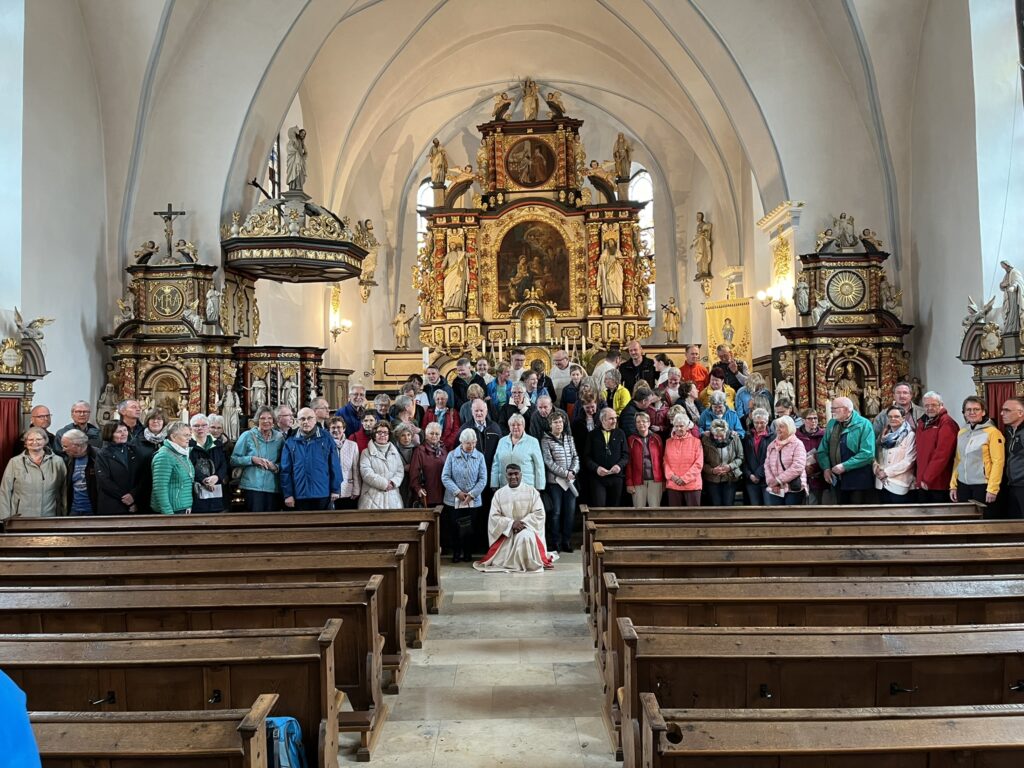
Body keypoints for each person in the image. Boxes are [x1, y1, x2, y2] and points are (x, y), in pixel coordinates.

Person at [474, 463, 555, 573]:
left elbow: (539, 513)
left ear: (521, 475)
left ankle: (527, 564)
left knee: (525, 537)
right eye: (510, 474)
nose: (513, 477)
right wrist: (511, 524)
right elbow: (494, 517)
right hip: (507, 534)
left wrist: (522, 523)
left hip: (527, 529)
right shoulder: (499, 494)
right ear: (506, 476)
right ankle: (513, 563)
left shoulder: (531, 491)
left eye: (516, 474)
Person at [950, 396, 1004, 515]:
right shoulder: (962, 432)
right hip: (963, 485)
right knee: (966, 522)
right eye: (968, 410)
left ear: (983, 412)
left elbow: (998, 462)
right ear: (964, 413)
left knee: (985, 522)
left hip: (983, 486)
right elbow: (958, 460)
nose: (972, 412)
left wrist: (993, 489)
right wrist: (953, 485)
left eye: (976, 409)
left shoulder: (993, 432)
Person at [817, 396, 876, 505]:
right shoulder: (832, 424)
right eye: (832, 408)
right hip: (837, 479)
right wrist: (826, 468)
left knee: (856, 515)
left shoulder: (864, 424)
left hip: (858, 480)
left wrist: (845, 466)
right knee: (839, 514)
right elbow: (822, 449)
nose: (832, 411)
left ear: (846, 410)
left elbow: (868, 453)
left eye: (835, 408)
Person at [441, 428, 488, 562]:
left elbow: (483, 479)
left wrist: (472, 494)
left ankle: (468, 553)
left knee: (470, 528)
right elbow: (445, 477)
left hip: (473, 500)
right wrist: (458, 493)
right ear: (461, 442)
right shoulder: (451, 455)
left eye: (473, 443)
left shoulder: (480, 456)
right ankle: (456, 553)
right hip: (453, 499)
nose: (471, 446)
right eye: (468, 443)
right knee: (454, 527)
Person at [281, 407, 341, 510]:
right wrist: (288, 494)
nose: (306, 422)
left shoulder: (326, 438)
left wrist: (335, 489)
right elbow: (285, 470)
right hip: (299, 493)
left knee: (323, 525)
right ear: (297, 421)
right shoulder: (290, 442)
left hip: (322, 493)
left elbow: (334, 465)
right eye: (302, 419)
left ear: (315, 419)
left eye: (309, 418)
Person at [0, 427, 66, 520]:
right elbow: (5, 491)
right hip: (21, 518)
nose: (34, 442)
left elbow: (64, 490)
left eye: (39, 439)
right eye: (30, 439)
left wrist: (64, 515)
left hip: (50, 516)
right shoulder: (14, 462)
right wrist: (4, 519)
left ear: (45, 441)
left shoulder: (58, 461)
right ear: (25, 443)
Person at [231, 405, 283, 511]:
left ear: (273, 421)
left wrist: (276, 467)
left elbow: (286, 462)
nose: (266, 421)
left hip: (273, 487)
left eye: (269, 418)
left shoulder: (280, 438)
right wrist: (252, 459)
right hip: (252, 486)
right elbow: (234, 459)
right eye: (262, 418)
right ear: (257, 420)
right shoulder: (247, 436)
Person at [541, 411, 579, 552]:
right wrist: (565, 473)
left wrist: (573, 471)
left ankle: (566, 541)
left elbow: (576, 457)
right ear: (550, 425)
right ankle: (556, 541)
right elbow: (548, 462)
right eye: (556, 422)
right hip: (555, 482)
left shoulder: (569, 438)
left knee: (570, 512)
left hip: (570, 481)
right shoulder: (545, 440)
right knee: (556, 512)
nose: (559, 424)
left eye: (561, 422)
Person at [915, 391, 961, 503]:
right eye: (926, 405)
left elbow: (942, 454)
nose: (930, 408)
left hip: (938, 483)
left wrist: (927, 478)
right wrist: (919, 479)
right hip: (923, 482)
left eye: (933, 405)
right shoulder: (922, 422)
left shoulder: (946, 423)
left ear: (941, 405)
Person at [95, 421, 142, 514]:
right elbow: (104, 480)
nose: (123, 434)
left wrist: (133, 495)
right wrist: (125, 498)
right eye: (119, 431)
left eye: (125, 430)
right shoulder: (103, 454)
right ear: (110, 434)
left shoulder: (133, 450)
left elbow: (142, 475)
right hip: (112, 504)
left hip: (135, 502)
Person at [874, 405, 917, 504]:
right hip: (881, 483)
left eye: (896, 416)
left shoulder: (910, 435)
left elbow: (909, 461)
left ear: (903, 418)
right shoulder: (883, 435)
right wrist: (876, 469)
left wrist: (886, 472)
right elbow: (876, 455)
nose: (893, 419)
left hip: (899, 484)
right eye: (890, 417)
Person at [585, 407, 629, 505]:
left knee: (614, 509)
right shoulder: (592, 435)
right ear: (602, 420)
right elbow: (587, 457)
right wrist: (596, 468)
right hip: (598, 478)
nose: (614, 421)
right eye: (611, 418)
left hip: (616, 477)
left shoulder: (620, 433)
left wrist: (619, 466)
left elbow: (625, 455)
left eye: (615, 418)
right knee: (599, 507)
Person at [150, 422, 196, 515]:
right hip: (172, 511)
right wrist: (169, 514)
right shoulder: (164, 456)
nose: (189, 438)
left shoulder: (182, 453)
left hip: (183, 509)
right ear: (173, 437)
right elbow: (160, 488)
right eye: (185, 435)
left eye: (190, 435)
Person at [492, 413, 546, 491]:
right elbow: (496, 464)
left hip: (527, 487)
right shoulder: (502, 441)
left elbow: (539, 465)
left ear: (523, 426)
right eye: (513, 425)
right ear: (509, 427)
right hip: (505, 487)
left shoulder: (533, 441)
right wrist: (494, 483)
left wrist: (540, 487)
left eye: (518, 425)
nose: (515, 427)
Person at [358, 421, 404, 509]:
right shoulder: (366, 452)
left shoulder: (394, 452)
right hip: (372, 497)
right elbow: (366, 473)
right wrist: (384, 484)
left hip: (393, 497)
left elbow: (400, 471)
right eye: (379, 432)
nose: (382, 435)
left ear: (389, 435)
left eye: (385, 433)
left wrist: (393, 482)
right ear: (374, 434)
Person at [188, 414, 228, 513]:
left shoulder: (217, 444)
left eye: (204, 425)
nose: (200, 428)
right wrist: (204, 479)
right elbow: (188, 466)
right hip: (195, 490)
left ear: (208, 427)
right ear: (191, 428)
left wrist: (217, 477)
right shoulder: (188, 445)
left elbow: (224, 464)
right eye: (196, 426)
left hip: (216, 488)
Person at [764, 416, 807, 506]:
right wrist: (772, 482)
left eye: (781, 426)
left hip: (793, 488)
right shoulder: (772, 445)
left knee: (791, 517)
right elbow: (767, 465)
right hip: (776, 488)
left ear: (790, 428)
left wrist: (779, 480)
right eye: (777, 427)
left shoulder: (797, 444)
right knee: (776, 516)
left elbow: (798, 466)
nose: (778, 429)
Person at [625, 411, 664, 508]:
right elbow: (628, 463)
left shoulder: (657, 438)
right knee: (638, 511)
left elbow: (662, 460)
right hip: (637, 480)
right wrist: (629, 482)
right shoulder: (631, 439)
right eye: (638, 422)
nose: (641, 423)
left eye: (644, 421)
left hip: (656, 480)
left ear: (649, 423)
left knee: (655, 510)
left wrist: (663, 480)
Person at [663, 413, 703, 506]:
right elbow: (665, 462)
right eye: (676, 426)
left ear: (687, 427)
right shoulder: (668, 442)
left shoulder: (696, 442)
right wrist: (672, 477)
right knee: (675, 517)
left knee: (693, 517)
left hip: (693, 485)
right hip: (673, 484)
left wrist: (684, 479)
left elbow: (698, 464)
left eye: (681, 426)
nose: (678, 429)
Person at [701, 418, 743, 506]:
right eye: (716, 436)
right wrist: (712, 470)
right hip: (712, 479)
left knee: (728, 505)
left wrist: (730, 466)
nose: (719, 439)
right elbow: (701, 461)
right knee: (715, 505)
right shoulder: (705, 439)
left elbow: (740, 457)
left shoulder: (734, 438)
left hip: (730, 477)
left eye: (722, 436)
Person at [60, 429, 99, 516]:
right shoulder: (68, 460)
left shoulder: (98, 457)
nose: (63, 450)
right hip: (74, 510)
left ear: (77, 445)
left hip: (94, 510)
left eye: (65, 446)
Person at [410, 421, 448, 508]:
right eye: (431, 433)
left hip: (443, 495)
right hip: (427, 495)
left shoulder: (443, 449)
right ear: (426, 435)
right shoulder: (419, 450)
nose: (434, 436)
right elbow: (414, 473)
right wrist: (418, 488)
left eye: (437, 434)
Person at [741, 408, 773, 505]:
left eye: (762, 423)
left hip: (767, 478)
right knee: (755, 508)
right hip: (750, 479)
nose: (759, 425)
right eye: (756, 422)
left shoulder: (772, 437)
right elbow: (743, 457)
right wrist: (749, 474)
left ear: (767, 421)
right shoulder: (747, 436)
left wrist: (758, 474)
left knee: (769, 508)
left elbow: (771, 458)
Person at [795, 408, 826, 504]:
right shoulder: (796, 436)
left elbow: (825, 453)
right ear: (803, 421)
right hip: (799, 476)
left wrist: (814, 467)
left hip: (818, 476)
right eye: (810, 418)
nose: (813, 421)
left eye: (815, 418)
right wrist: (803, 468)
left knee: (814, 506)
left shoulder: (823, 435)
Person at [330, 416, 361, 509]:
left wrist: (356, 489)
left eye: (339, 427)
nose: (336, 430)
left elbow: (356, 469)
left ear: (344, 429)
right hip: (330, 491)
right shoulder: (325, 444)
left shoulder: (352, 445)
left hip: (348, 489)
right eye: (333, 427)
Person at [1001, 397, 1024, 518]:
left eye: (1007, 410)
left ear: (1020, 413)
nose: (1002, 413)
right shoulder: (1009, 430)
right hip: (1012, 485)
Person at [392, 423, 418, 505]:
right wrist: (403, 468)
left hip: (414, 480)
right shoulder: (393, 450)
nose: (406, 438)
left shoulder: (416, 449)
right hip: (399, 481)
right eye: (403, 435)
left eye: (408, 435)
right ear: (398, 437)